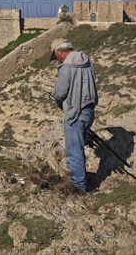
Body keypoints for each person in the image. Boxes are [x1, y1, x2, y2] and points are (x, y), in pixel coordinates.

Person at [51, 38, 98, 193]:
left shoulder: (66, 68)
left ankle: (78, 186)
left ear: (60, 52)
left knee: (74, 151)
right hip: (89, 110)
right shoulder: (88, 61)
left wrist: (60, 105)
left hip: (74, 113)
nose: (57, 60)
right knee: (79, 146)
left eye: (56, 56)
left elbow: (60, 93)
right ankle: (81, 178)